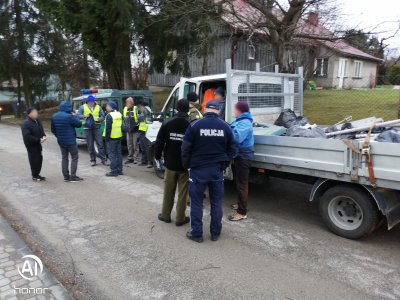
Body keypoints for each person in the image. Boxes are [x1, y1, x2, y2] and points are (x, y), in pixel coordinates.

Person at [182, 101, 236, 242]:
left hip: (198, 170)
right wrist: (224, 163)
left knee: (196, 202)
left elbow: (185, 148)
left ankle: (197, 233)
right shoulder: (225, 127)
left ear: (205, 109)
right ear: (218, 110)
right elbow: (233, 149)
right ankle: (215, 232)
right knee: (216, 202)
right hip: (216, 170)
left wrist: (187, 164)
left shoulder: (194, 125)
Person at [155, 99, 191, 226]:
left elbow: (159, 142)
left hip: (170, 163)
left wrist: (157, 156)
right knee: (183, 193)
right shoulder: (191, 124)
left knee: (168, 190)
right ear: (188, 109)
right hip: (184, 165)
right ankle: (180, 218)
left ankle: (165, 215)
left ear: (176, 108)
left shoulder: (168, 122)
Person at [228, 102, 254, 221]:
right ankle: (239, 204)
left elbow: (236, 137)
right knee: (239, 183)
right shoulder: (240, 121)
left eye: (235, 109)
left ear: (239, 110)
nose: (234, 111)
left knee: (242, 185)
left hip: (243, 157)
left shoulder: (245, 123)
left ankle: (242, 212)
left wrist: (224, 132)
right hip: (238, 156)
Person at [51, 101, 83, 182]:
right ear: (68, 108)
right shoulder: (69, 116)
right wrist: (75, 116)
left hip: (61, 141)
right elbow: (79, 124)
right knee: (74, 157)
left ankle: (66, 176)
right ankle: (73, 176)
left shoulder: (54, 116)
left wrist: (58, 136)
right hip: (71, 141)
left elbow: (53, 129)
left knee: (64, 158)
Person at [77, 95, 107, 166]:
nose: (91, 103)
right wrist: (84, 116)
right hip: (87, 129)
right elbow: (78, 116)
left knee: (100, 144)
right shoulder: (82, 107)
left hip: (97, 128)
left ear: (94, 102)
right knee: (90, 146)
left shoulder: (98, 107)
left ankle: (104, 160)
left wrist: (98, 119)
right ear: (87, 102)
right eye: (90, 102)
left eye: (92, 102)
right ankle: (93, 160)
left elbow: (103, 116)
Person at [21, 108, 46, 181]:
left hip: (38, 144)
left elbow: (41, 129)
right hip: (31, 145)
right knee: (34, 159)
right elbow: (27, 136)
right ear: (30, 114)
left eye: (36, 112)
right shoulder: (26, 123)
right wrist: (38, 140)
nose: (37, 113)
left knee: (39, 159)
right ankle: (34, 175)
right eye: (35, 112)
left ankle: (37, 174)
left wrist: (43, 136)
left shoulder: (37, 121)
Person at [103, 101, 123, 177]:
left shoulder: (109, 115)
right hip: (119, 136)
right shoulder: (119, 114)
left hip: (111, 138)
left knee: (112, 155)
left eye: (107, 106)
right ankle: (119, 170)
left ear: (111, 107)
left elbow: (108, 129)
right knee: (118, 154)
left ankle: (114, 171)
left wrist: (106, 138)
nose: (106, 107)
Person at [123, 97, 139, 164]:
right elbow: (124, 119)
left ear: (132, 103)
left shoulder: (136, 108)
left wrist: (136, 126)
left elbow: (139, 118)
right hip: (128, 130)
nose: (127, 104)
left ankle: (136, 158)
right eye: (126, 102)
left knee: (135, 145)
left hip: (135, 130)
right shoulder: (125, 109)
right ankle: (130, 158)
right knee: (129, 145)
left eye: (128, 102)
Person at [138, 101, 152, 168]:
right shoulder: (143, 112)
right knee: (143, 147)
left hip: (146, 132)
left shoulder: (148, 111)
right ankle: (144, 161)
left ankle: (149, 162)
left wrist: (138, 116)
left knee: (147, 148)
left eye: (140, 107)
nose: (140, 108)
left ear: (144, 107)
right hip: (142, 131)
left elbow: (140, 118)